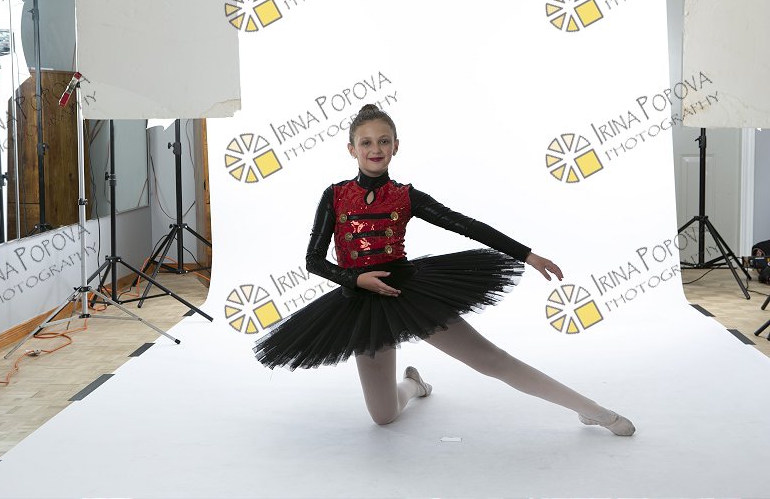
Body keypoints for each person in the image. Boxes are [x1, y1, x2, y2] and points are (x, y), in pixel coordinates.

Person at [253, 104, 635, 436]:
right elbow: (313, 260)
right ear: (352, 149)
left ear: (396, 146)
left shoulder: (404, 196)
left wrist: (527, 255)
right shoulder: (334, 195)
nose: (375, 149)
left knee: (490, 359)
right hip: (360, 305)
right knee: (383, 417)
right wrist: (355, 279)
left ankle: (593, 410)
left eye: (384, 141)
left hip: (408, 294)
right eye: (366, 142)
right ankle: (414, 385)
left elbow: (465, 225)